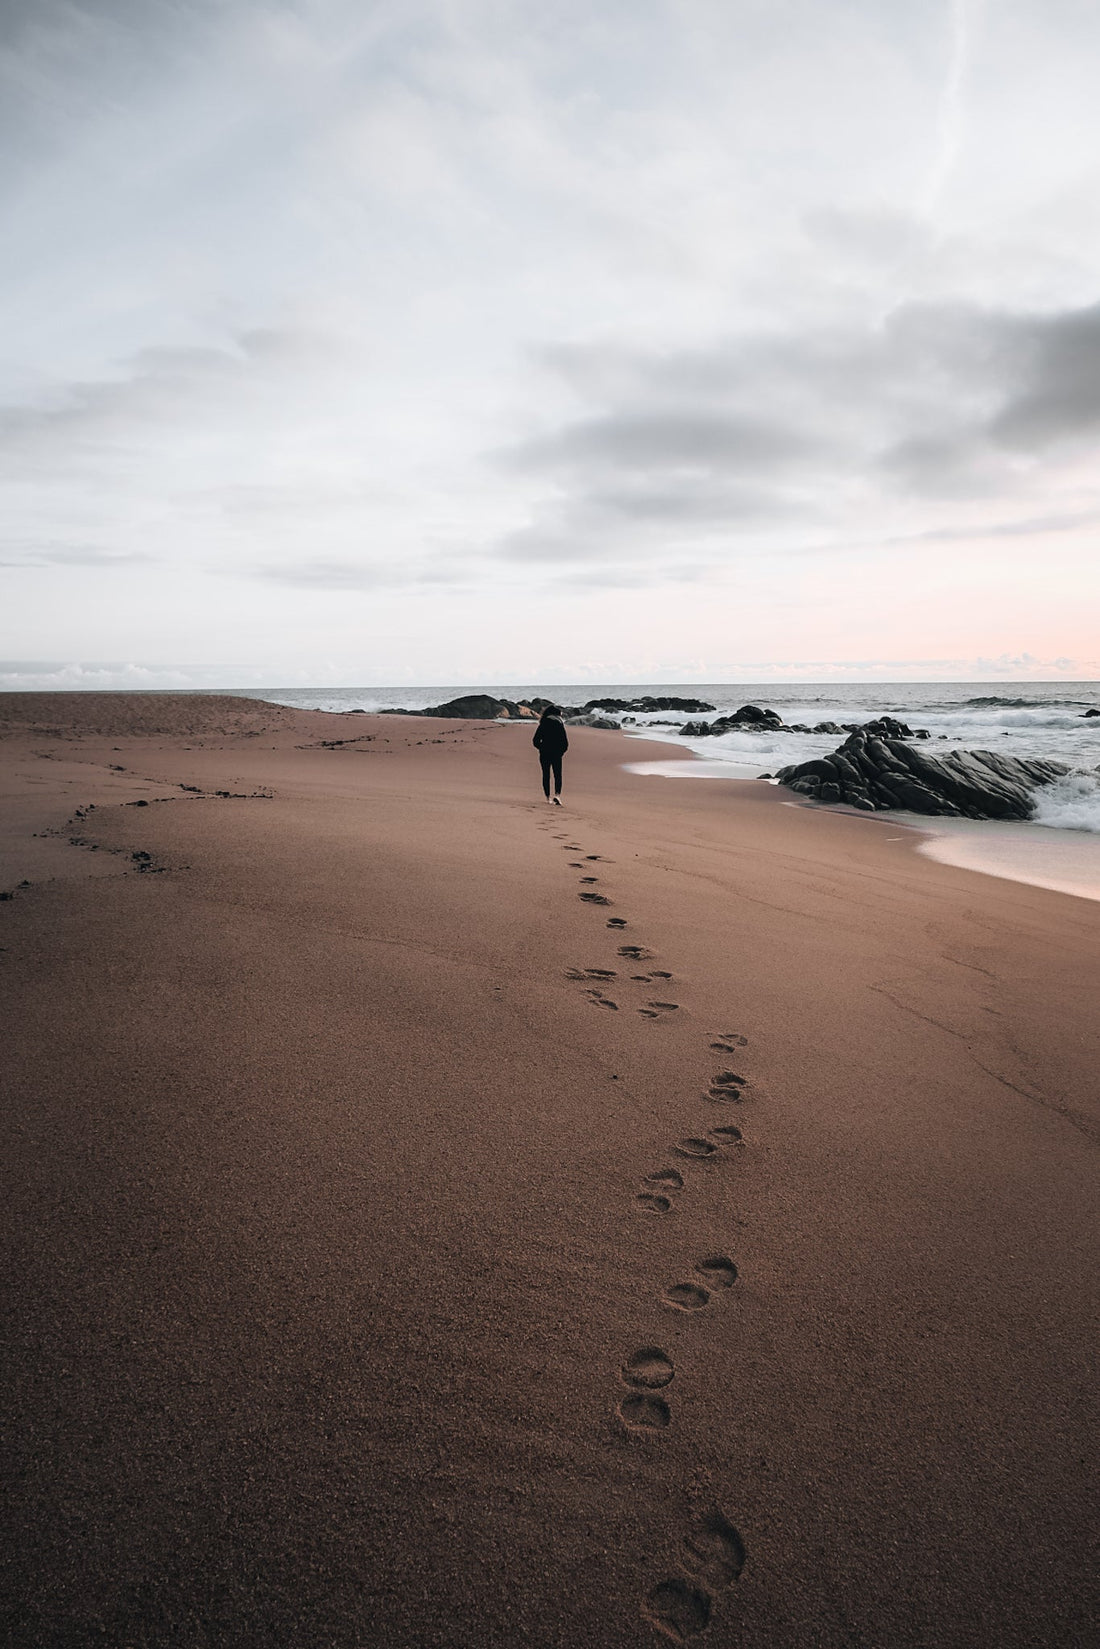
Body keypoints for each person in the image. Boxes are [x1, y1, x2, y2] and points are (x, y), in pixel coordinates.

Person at [532, 704, 568, 803]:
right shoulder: (559, 724)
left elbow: (535, 740)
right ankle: (557, 795)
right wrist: (561, 752)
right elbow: (565, 742)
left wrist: (541, 748)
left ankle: (548, 797)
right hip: (556, 753)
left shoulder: (543, 723)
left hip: (544, 753)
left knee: (546, 775)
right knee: (558, 775)